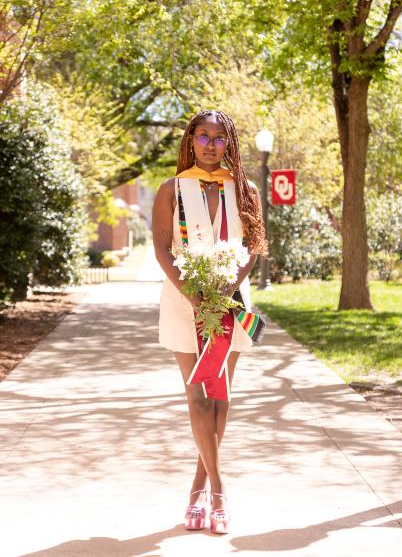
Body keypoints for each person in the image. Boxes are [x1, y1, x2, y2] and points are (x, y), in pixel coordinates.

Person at [152, 109, 268, 534]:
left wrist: (224, 292)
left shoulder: (245, 189)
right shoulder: (172, 190)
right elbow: (163, 249)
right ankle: (218, 490)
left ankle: (197, 490)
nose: (210, 144)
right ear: (190, 140)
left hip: (230, 300)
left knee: (219, 396)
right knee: (198, 396)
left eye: (219, 138)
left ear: (229, 144)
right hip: (185, 301)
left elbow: (253, 245)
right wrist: (194, 295)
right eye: (203, 136)